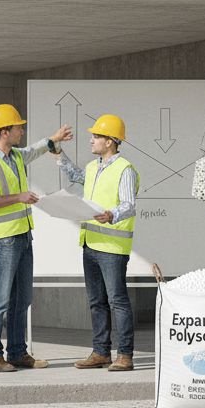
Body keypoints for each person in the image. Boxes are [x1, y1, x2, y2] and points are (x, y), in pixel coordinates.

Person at [0, 103, 72, 372]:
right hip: (3, 240)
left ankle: (17, 352)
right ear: (4, 131)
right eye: (18, 127)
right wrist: (20, 197)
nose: (22, 130)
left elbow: (33, 151)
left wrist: (54, 139)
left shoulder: (15, 156)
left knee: (22, 299)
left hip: (22, 237)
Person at [50, 113, 139, 372]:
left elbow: (129, 206)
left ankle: (125, 355)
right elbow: (75, 175)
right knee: (96, 301)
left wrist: (111, 215)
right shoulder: (93, 167)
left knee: (117, 301)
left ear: (110, 141)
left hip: (112, 248)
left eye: (96, 136)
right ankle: (101, 352)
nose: (91, 140)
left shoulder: (125, 169)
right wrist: (57, 152)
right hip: (90, 243)